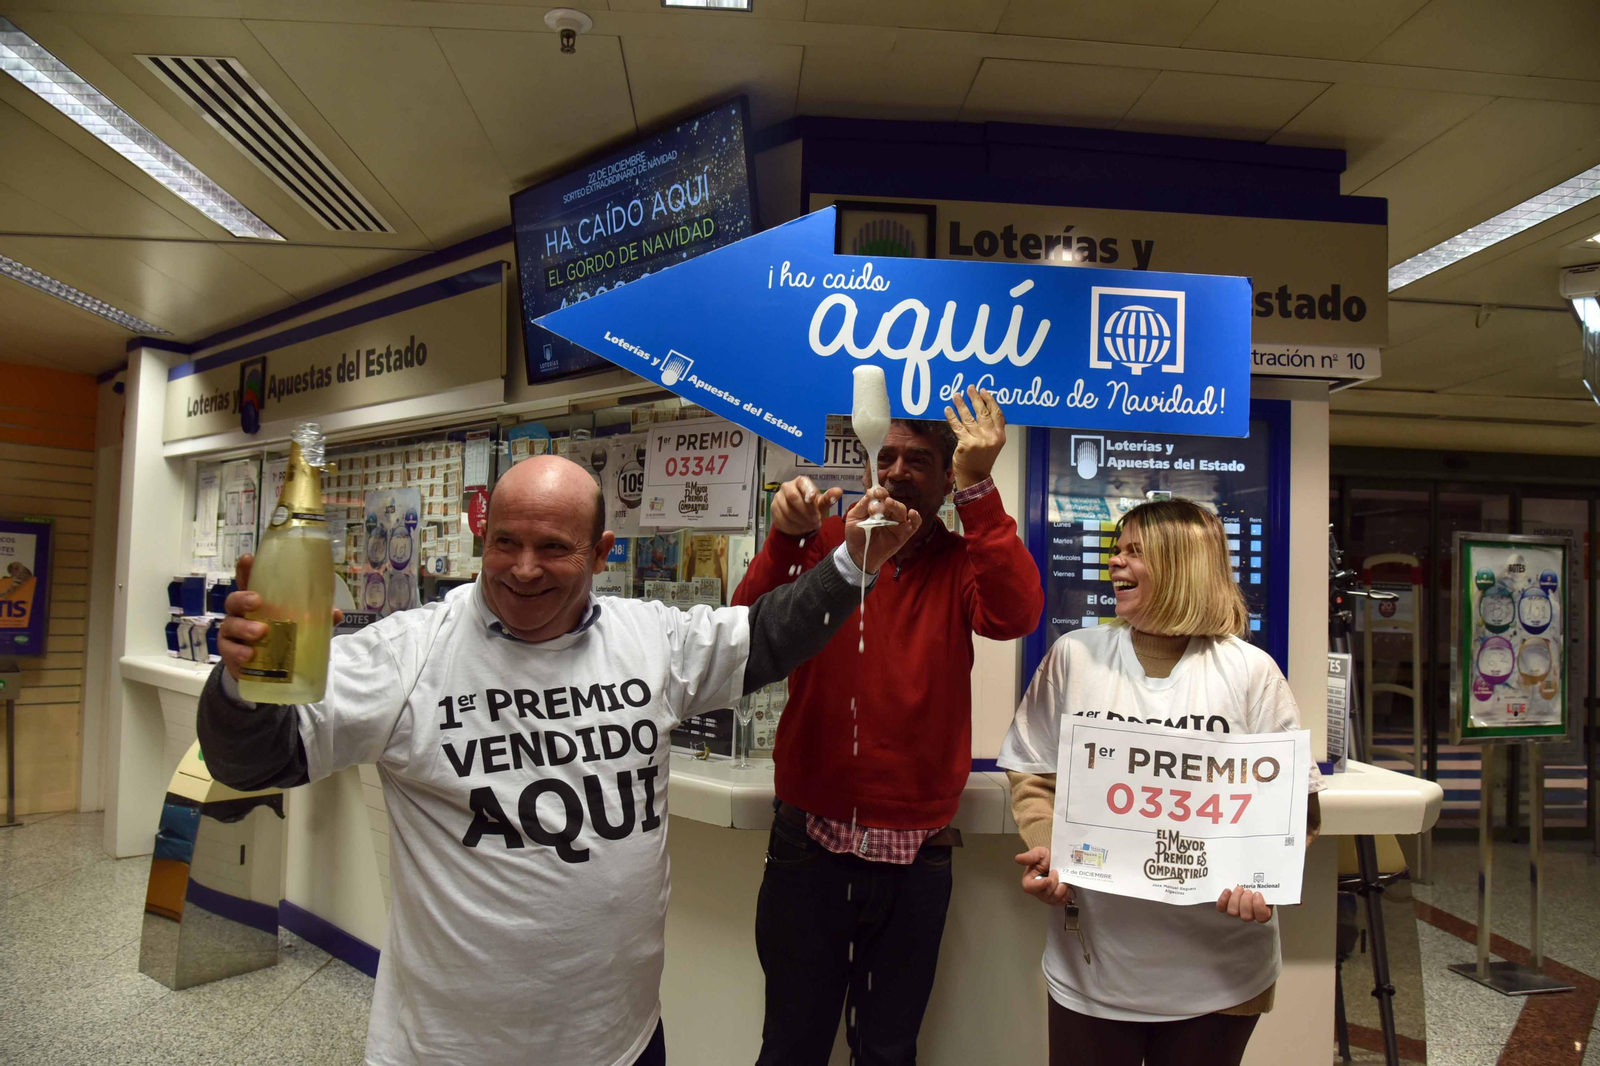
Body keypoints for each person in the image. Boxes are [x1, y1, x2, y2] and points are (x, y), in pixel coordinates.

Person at [196, 455, 922, 1066]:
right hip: (451, 1050)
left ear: (602, 553)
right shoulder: (408, 652)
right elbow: (255, 758)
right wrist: (243, 680)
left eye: (553, 549)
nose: (523, 569)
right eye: (505, 543)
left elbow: (765, 636)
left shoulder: (649, 639)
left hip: (621, 1043)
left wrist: (853, 565)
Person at [734, 386, 1043, 1066]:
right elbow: (743, 635)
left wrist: (982, 490)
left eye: (920, 460)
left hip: (916, 857)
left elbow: (1016, 614)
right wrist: (784, 539)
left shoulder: (960, 564)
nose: (898, 470)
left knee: (889, 1050)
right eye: (890, 455)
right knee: (790, 1046)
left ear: (942, 477)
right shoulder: (823, 543)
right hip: (808, 848)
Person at [997, 498, 1324, 1066]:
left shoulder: (1250, 671)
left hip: (1220, 977)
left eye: (1133, 552)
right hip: (1094, 970)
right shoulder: (1075, 657)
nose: (1114, 564)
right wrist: (1052, 851)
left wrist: (1262, 879)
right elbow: (1034, 772)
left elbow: (1297, 808)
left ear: (1180, 565)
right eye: (1115, 551)